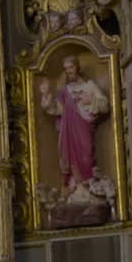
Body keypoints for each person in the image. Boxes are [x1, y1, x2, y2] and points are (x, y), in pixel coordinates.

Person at [39, 55, 110, 193]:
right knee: (71, 157)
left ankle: (89, 186)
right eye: (66, 69)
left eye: (71, 67)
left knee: (86, 156)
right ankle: (76, 186)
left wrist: (91, 100)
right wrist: (46, 94)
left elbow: (105, 105)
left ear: (77, 67)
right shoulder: (64, 91)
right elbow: (56, 109)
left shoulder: (89, 86)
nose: (69, 71)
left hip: (85, 129)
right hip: (69, 132)